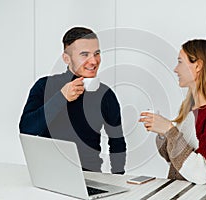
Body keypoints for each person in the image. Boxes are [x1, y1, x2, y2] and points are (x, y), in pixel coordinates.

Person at [19, 27, 126, 174]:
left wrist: (118, 178)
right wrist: (61, 97)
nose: (94, 61)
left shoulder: (106, 94)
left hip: (90, 177)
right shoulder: (44, 86)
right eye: (84, 54)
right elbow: (27, 129)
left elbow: (117, 142)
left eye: (97, 53)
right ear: (66, 58)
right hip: (49, 175)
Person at [139, 39, 206, 184]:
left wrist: (169, 129)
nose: (175, 69)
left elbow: (202, 173)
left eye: (180, 62)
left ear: (198, 66)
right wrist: (163, 133)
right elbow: (172, 157)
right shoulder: (190, 109)